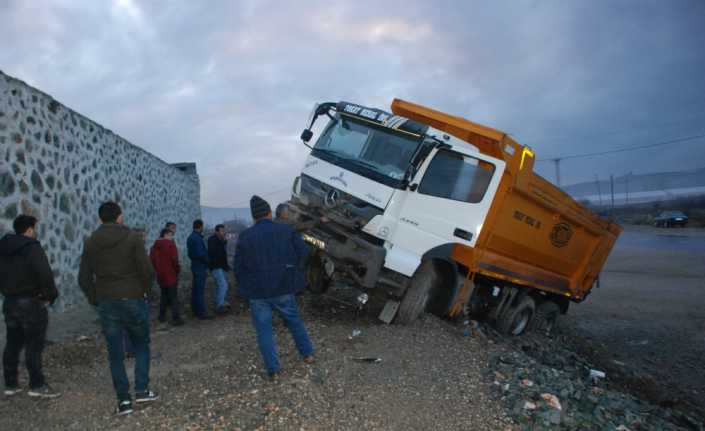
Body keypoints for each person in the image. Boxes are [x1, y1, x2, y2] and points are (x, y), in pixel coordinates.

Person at [78, 202, 159, 415]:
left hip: (107, 301)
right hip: (133, 298)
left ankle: (123, 401)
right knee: (141, 345)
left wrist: (96, 298)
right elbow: (147, 270)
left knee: (115, 354)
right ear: (120, 217)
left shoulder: (91, 242)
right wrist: (143, 291)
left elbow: (84, 278)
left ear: (100, 219)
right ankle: (141, 390)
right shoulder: (133, 237)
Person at [234, 196, 314, 380]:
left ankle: (274, 370)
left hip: (258, 292)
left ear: (254, 217)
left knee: (264, 330)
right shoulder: (286, 230)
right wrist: (294, 270)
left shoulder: (245, 236)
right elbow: (304, 251)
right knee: (294, 321)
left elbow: (238, 267)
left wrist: (247, 286)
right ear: (270, 213)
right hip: (283, 286)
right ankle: (307, 355)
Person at [0, 215, 60, 398]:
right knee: (34, 345)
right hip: (31, 303)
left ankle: (11, 384)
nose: (36, 231)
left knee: (12, 343)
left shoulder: (2, 248)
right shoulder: (32, 248)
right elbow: (44, 274)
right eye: (35, 228)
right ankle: (37, 384)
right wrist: (51, 296)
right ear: (29, 230)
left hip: (10, 302)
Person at [150, 228, 183, 326]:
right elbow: (175, 260)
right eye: (171, 235)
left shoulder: (154, 247)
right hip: (170, 274)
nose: (172, 237)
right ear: (166, 234)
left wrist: (158, 271)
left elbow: (151, 260)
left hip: (160, 275)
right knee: (173, 297)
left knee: (164, 296)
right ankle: (176, 318)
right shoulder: (170, 245)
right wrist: (177, 270)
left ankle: (162, 316)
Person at [187, 219, 211, 320]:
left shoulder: (191, 237)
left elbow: (191, 254)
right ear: (200, 226)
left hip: (195, 266)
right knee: (200, 291)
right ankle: (201, 313)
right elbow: (200, 253)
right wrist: (208, 261)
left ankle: (195, 311)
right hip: (200, 266)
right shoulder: (197, 238)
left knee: (196, 290)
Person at [208, 224, 231, 315]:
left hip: (221, 267)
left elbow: (222, 254)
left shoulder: (220, 240)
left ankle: (219, 303)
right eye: (221, 231)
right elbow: (215, 253)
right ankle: (219, 305)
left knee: (220, 286)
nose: (223, 232)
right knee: (223, 286)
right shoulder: (212, 240)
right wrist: (223, 242)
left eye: (223, 230)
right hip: (216, 267)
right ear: (216, 231)